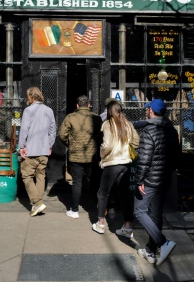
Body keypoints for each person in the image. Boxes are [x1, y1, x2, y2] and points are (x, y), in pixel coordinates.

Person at [134, 98, 181, 265]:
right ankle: (150, 251)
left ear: (151, 111)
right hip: (165, 178)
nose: (146, 111)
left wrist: (139, 179)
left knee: (139, 211)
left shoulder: (148, 131)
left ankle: (163, 242)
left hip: (150, 179)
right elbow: (177, 155)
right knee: (155, 214)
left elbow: (144, 159)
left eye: (148, 109)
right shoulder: (172, 130)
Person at [92, 100, 140, 235]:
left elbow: (106, 145)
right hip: (126, 163)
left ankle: (101, 223)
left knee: (103, 193)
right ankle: (128, 226)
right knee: (125, 195)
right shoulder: (128, 124)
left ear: (109, 111)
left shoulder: (107, 124)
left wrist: (102, 153)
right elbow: (136, 141)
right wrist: (127, 147)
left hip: (112, 163)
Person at [59, 95, 102, 219]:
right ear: (88, 105)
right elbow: (100, 135)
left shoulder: (70, 117)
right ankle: (96, 207)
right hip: (92, 155)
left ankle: (74, 210)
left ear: (77, 105)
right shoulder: (96, 118)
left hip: (75, 155)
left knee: (77, 183)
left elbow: (62, 135)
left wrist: (70, 143)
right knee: (93, 181)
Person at [18, 87, 56, 217]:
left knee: (27, 176)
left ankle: (37, 202)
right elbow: (53, 131)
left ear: (31, 96)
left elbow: (24, 130)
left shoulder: (28, 111)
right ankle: (37, 204)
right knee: (41, 175)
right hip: (44, 149)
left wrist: (21, 146)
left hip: (31, 149)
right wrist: (49, 145)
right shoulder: (49, 110)